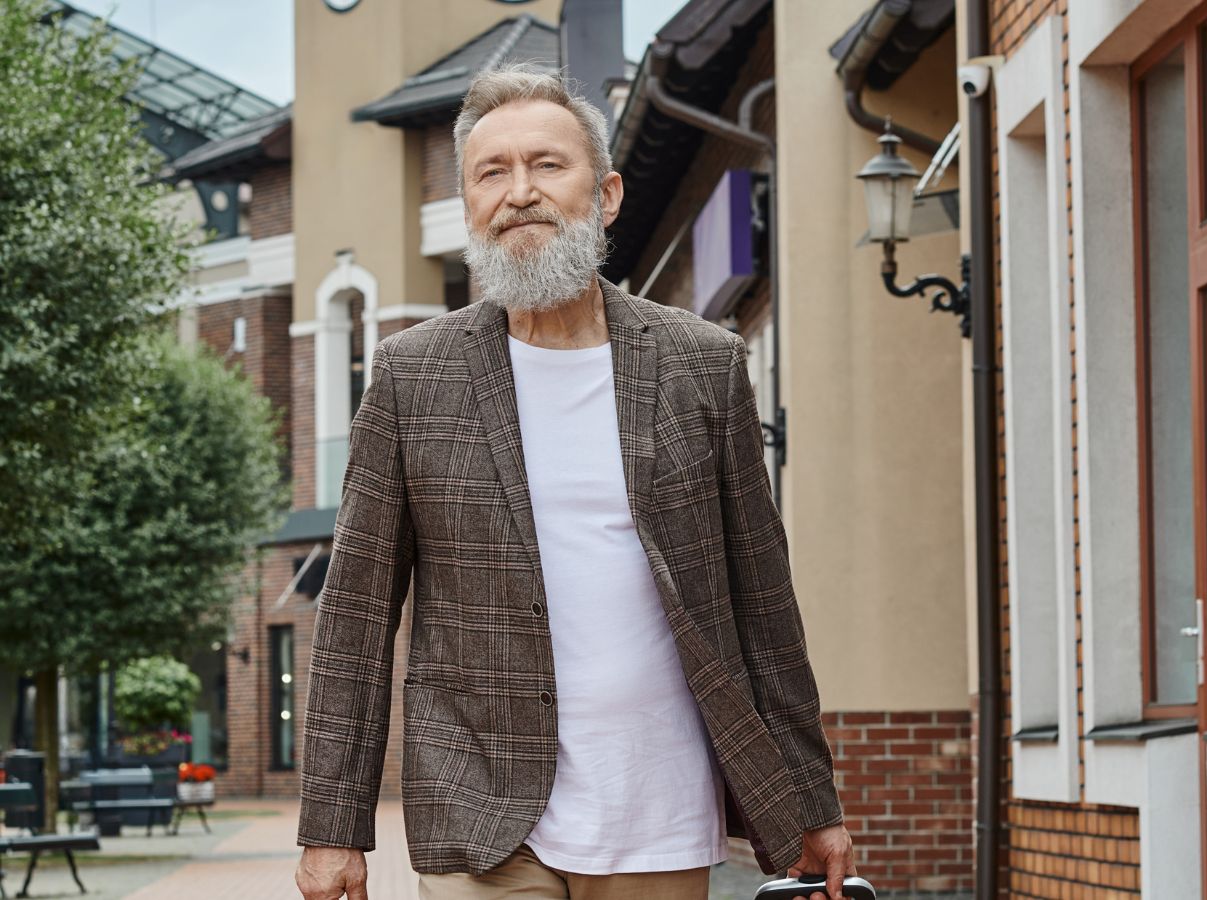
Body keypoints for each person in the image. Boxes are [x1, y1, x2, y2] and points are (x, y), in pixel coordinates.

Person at [293, 65, 855, 900]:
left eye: (547, 165)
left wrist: (812, 798)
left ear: (607, 192)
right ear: (469, 206)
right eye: (493, 172)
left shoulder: (701, 363)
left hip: (657, 808)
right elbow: (356, 615)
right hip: (479, 810)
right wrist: (333, 827)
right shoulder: (414, 376)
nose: (520, 192)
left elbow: (762, 602)